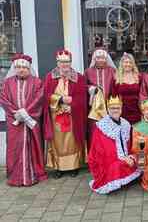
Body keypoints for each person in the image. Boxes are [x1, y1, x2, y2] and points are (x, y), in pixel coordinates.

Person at [0, 53, 47, 186]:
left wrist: (26, 112)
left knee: (32, 146)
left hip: (32, 120)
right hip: (14, 121)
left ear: (28, 68)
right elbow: (3, 99)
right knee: (15, 147)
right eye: (18, 67)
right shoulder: (7, 83)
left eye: (24, 67)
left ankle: (33, 173)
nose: (21, 69)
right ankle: (16, 175)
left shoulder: (37, 82)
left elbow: (39, 98)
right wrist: (16, 113)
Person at [43, 49, 87, 178]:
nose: (64, 65)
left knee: (72, 141)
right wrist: (60, 99)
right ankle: (59, 167)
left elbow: (82, 97)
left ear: (70, 62)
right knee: (58, 142)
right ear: (57, 62)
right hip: (56, 115)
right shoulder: (49, 77)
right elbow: (45, 96)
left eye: (67, 62)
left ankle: (74, 166)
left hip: (72, 115)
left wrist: (72, 105)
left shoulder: (79, 77)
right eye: (61, 62)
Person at [88, 96, 141, 194]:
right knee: (116, 166)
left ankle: (126, 179)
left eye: (117, 108)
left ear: (121, 109)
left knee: (138, 160)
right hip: (107, 159)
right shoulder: (102, 126)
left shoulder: (125, 123)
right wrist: (123, 158)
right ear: (108, 109)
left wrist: (130, 156)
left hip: (123, 156)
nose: (115, 110)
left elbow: (129, 145)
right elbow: (103, 150)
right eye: (112, 108)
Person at [85, 48, 116, 150]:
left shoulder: (112, 71)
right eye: (98, 58)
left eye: (103, 58)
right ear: (94, 59)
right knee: (94, 132)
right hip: (94, 110)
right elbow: (84, 86)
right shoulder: (88, 72)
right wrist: (91, 89)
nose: (101, 60)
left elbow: (116, 88)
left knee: (109, 132)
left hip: (109, 108)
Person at [113, 52, 142, 124]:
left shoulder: (139, 77)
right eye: (126, 62)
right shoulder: (116, 78)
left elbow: (143, 94)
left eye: (130, 62)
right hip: (122, 111)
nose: (128, 64)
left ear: (133, 64)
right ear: (122, 64)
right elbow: (113, 96)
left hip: (137, 110)